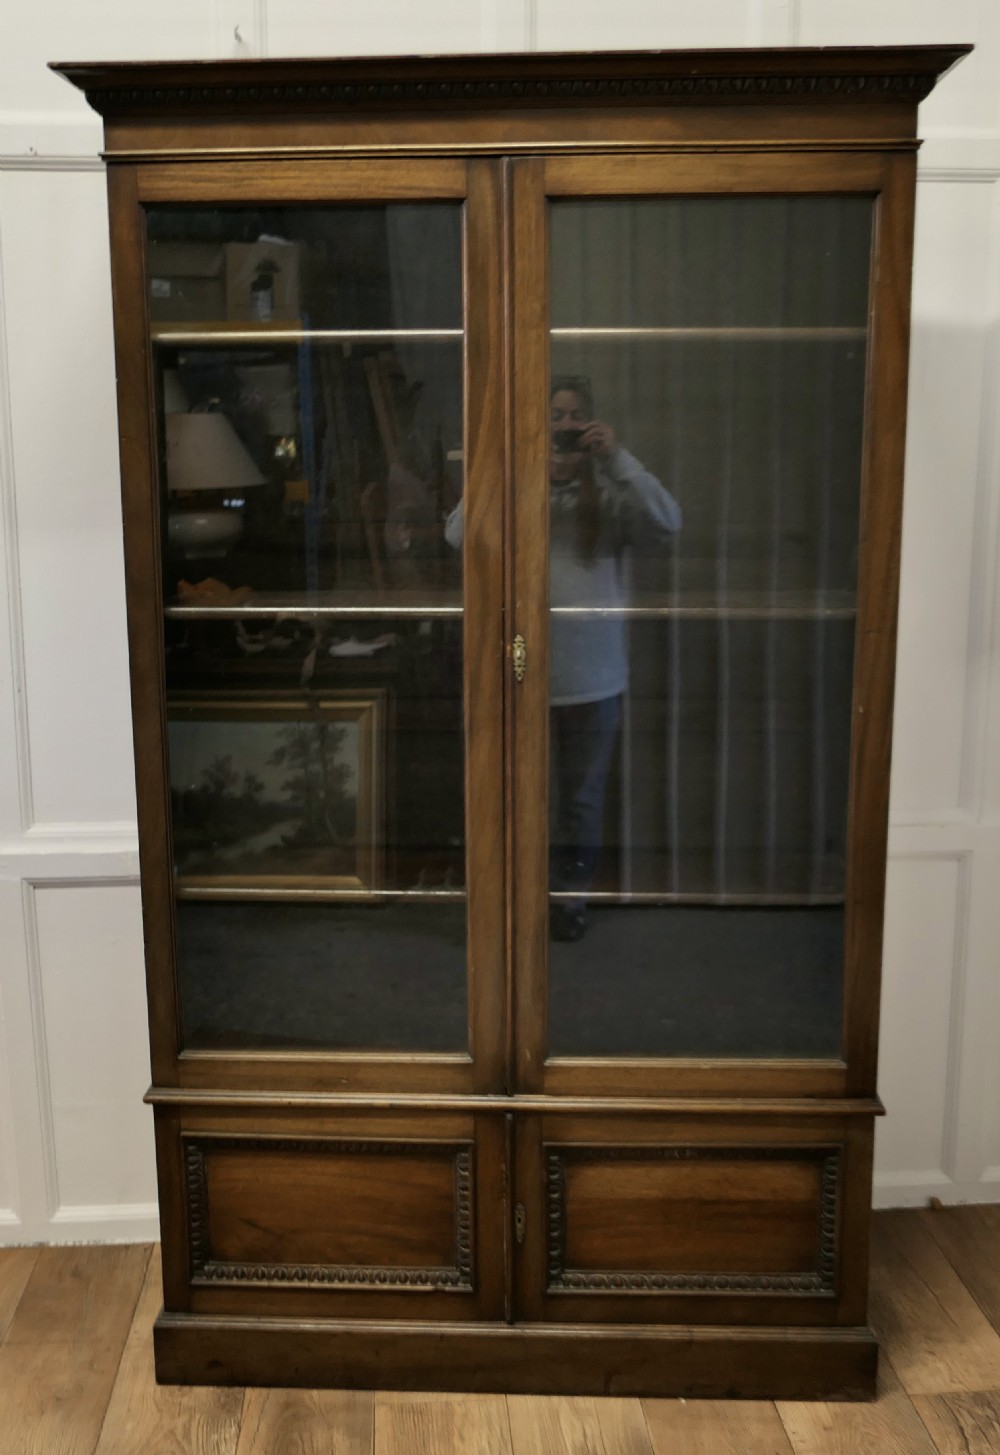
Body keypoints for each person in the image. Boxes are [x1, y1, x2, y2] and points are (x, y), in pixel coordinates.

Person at [446, 375, 681, 939]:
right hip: (519, 675)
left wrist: (618, 458)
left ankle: (569, 900)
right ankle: (514, 899)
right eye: (553, 416)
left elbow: (669, 523)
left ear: (590, 428)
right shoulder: (514, 488)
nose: (564, 427)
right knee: (515, 794)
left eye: (575, 416)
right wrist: (506, 460)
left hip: (592, 677)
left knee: (580, 799)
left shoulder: (614, 494)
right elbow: (458, 535)